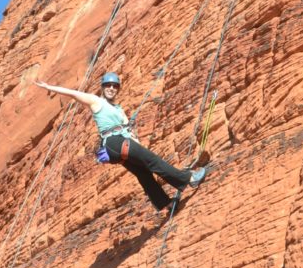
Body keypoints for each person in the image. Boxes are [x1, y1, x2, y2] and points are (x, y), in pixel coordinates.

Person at [34, 72, 207, 211]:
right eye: (108, 85)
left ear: (117, 89)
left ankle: (166, 204)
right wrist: (49, 87)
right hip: (113, 142)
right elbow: (73, 94)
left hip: (119, 146)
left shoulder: (119, 108)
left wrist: (137, 143)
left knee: (144, 172)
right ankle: (188, 179)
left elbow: (129, 131)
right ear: (102, 87)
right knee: (153, 161)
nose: (111, 88)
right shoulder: (97, 102)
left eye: (114, 86)